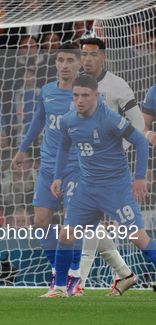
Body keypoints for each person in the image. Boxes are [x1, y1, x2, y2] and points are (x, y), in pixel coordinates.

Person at [47, 74, 156, 297]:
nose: (80, 100)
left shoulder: (109, 118)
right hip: (86, 188)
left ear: (96, 96)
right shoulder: (68, 120)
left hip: (116, 188)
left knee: (138, 237)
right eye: (76, 95)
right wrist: (58, 177)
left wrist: (139, 178)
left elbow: (141, 141)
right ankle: (58, 288)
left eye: (85, 95)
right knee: (66, 235)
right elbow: (64, 148)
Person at [12, 43, 85, 297]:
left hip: (76, 166)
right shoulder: (46, 91)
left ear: (79, 64)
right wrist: (22, 149)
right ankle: (59, 274)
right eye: (60, 59)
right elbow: (39, 120)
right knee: (41, 221)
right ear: (55, 63)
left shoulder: (85, 94)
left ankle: (74, 279)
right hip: (48, 165)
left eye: (69, 60)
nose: (64, 64)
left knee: (71, 226)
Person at [77, 37, 144, 294]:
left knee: (130, 230)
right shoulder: (75, 83)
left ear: (103, 57)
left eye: (93, 54)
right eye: (84, 54)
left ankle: (78, 283)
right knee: (86, 223)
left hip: (110, 171)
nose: (87, 59)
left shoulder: (117, 86)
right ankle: (124, 275)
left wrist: (115, 150)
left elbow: (138, 124)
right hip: (81, 165)